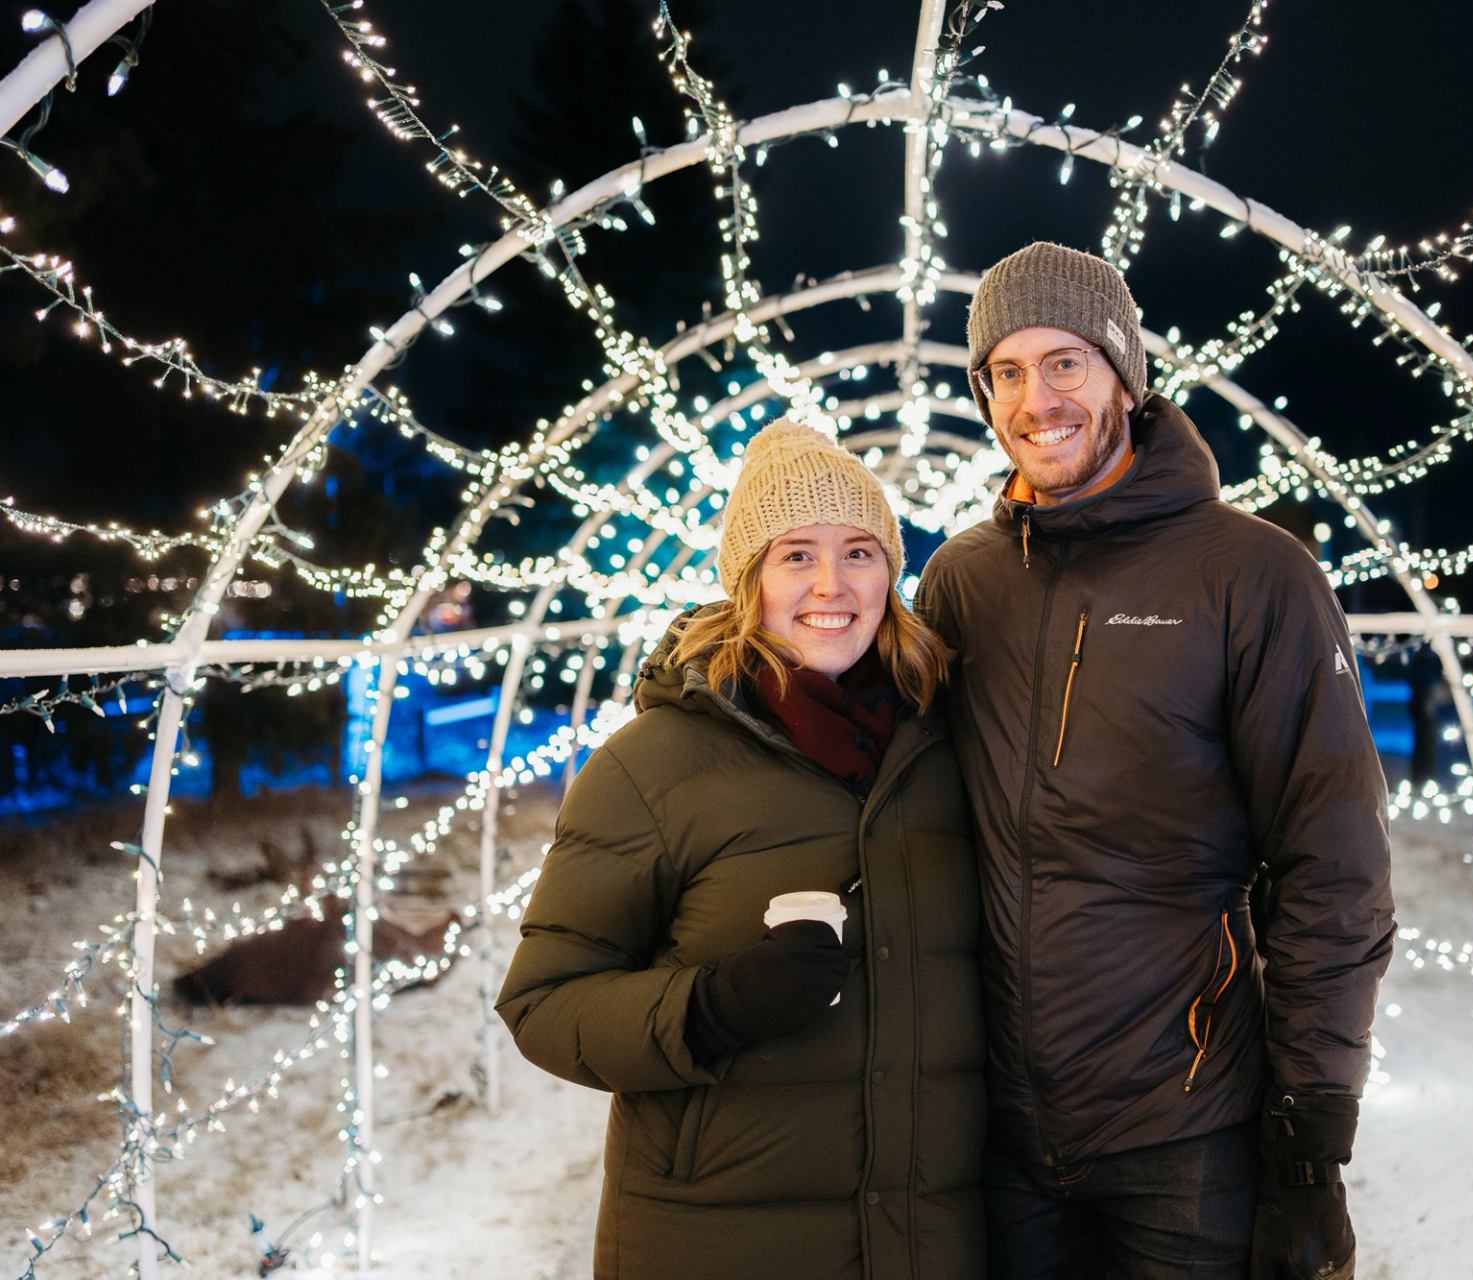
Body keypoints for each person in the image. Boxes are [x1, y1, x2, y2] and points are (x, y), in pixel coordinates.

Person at [914, 242, 1395, 1280]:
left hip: (1184, 1127)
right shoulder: (962, 581)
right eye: (1004, 371)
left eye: (1065, 363)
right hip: (999, 1136)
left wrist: (1312, 1138)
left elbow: (1332, 855)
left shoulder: (1250, 573)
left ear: (1124, 377)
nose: (1034, 398)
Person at [497, 419, 987, 1280]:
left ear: (892, 574)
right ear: (748, 581)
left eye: (860, 552)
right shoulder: (654, 764)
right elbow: (543, 1006)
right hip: (714, 1239)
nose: (831, 584)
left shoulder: (948, 748)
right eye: (796, 554)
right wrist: (710, 1008)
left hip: (925, 1239)